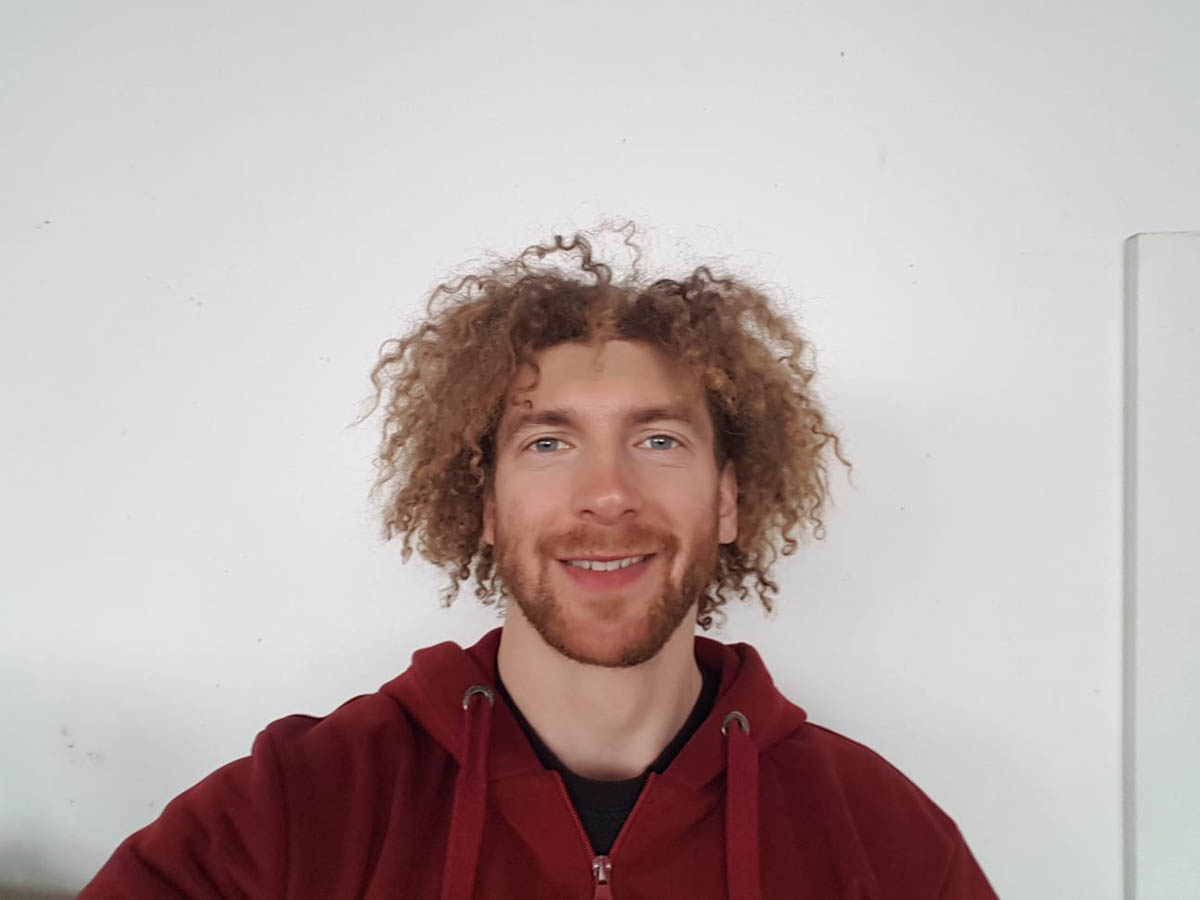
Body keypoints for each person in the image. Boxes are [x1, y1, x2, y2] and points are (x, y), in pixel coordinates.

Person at [80, 226, 998, 899]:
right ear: (484, 505)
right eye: (549, 444)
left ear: (727, 500)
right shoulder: (299, 808)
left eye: (661, 440)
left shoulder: (884, 838)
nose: (607, 495)